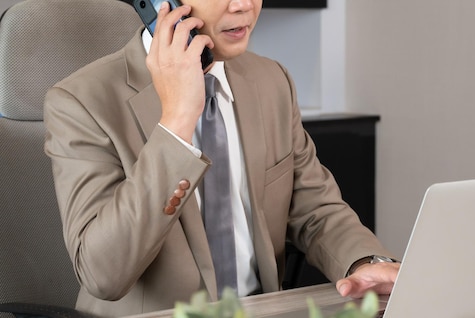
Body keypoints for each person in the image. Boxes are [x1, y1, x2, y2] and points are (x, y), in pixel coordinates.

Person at [43, 0, 399, 316]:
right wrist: (176, 122)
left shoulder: (272, 80)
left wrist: (367, 261)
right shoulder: (80, 102)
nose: (244, 5)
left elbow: (316, 209)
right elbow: (102, 274)